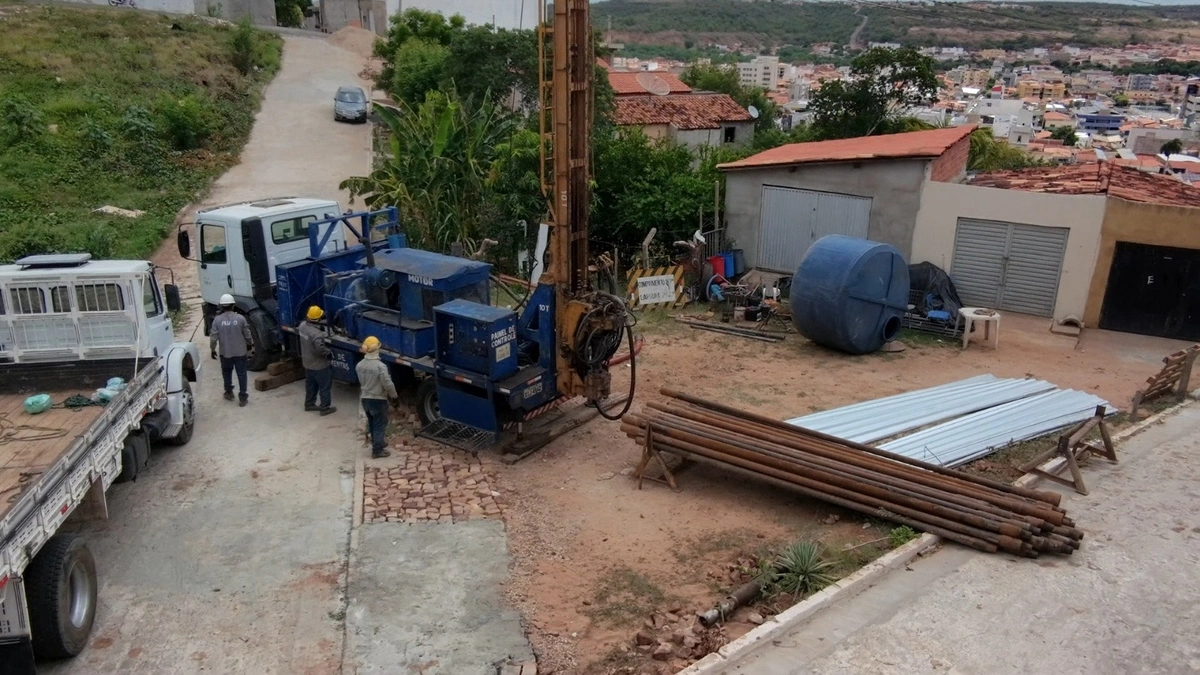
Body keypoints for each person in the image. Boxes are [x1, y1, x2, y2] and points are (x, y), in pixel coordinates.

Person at [354, 336, 397, 459]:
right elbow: (387, 384)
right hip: (378, 399)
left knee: (372, 423)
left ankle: (377, 442)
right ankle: (377, 450)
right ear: (377, 348)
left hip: (365, 399)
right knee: (379, 424)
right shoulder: (380, 367)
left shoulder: (359, 365)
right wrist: (394, 396)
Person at [209, 294, 252, 407]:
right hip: (240, 352)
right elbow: (247, 334)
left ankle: (229, 392)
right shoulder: (240, 318)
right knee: (242, 374)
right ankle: (243, 397)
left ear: (222, 307)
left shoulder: (217, 320)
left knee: (227, 372)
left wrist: (212, 349)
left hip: (225, 352)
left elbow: (213, 338)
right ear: (233, 305)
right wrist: (249, 344)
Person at [298, 306, 336, 416]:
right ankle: (325, 408)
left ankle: (309, 404)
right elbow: (320, 349)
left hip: (307, 363)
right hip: (319, 365)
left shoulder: (302, 326)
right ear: (318, 319)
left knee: (310, 385)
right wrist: (328, 352)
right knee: (325, 386)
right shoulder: (316, 334)